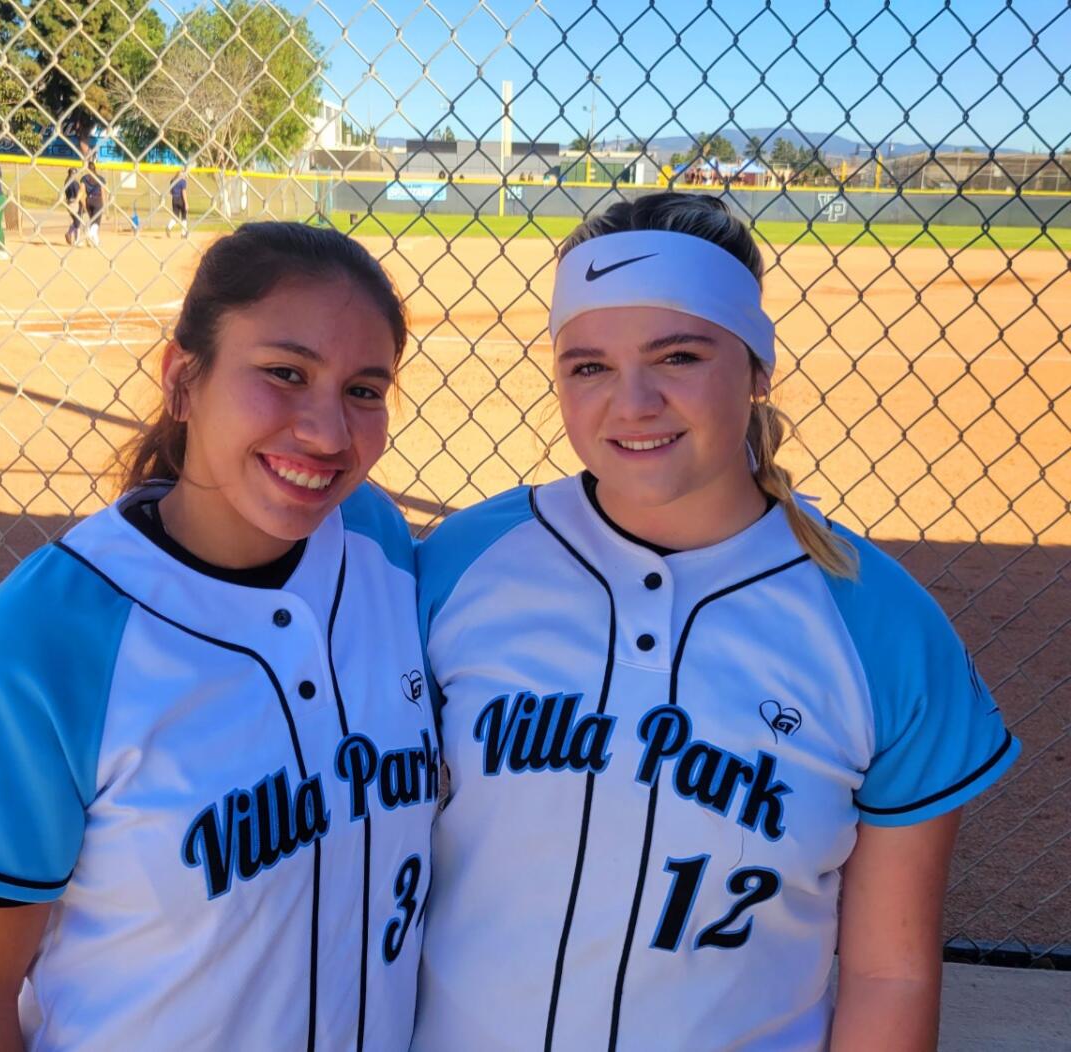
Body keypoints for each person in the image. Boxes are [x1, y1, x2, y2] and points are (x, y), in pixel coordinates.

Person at [413, 192, 1020, 1051]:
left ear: (756, 366)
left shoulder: (876, 626)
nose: (633, 403)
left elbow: (891, 971)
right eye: (588, 366)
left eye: (679, 356)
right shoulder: (460, 565)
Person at [0, 222, 438, 1051]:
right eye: (285, 373)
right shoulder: (32, 653)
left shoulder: (378, 541)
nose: (329, 433)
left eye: (365, 389)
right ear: (183, 378)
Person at [80, 159, 106, 247]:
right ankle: (88, 234)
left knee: (93, 221)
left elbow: (82, 192)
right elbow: (103, 193)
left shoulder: (84, 178)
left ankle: (96, 242)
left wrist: (84, 204)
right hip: (98, 201)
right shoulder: (101, 178)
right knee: (96, 223)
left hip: (89, 201)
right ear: (95, 168)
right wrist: (105, 206)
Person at [62, 165, 83, 246]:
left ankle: (69, 233)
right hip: (75, 203)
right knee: (78, 221)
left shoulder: (66, 181)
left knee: (76, 221)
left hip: (69, 203)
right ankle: (77, 240)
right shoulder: (74, 183)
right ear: (73, 174)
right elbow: (78, 194)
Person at [167, 165, 189, 238]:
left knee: (176, 217)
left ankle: (169, 227)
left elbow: (171, 192)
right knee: (184, 217)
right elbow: (183, 192)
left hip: (174, 199)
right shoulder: (182, 181)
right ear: (182, 173)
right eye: (184, 173)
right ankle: (183, 234)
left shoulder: (172, 180)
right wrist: (186, 203)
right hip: (181, 199)